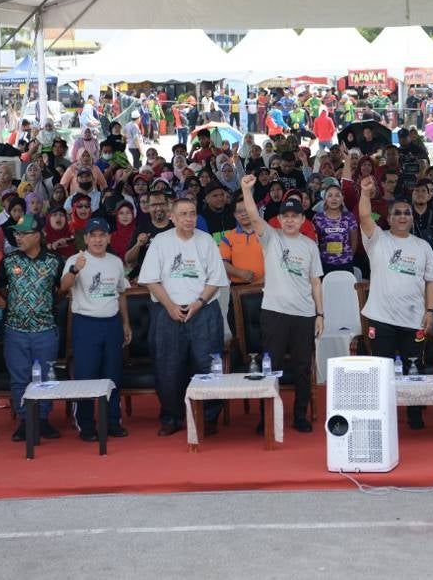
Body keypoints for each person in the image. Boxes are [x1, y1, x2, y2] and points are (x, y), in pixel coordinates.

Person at [137, 198, 229, 436]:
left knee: (207, 364)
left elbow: (216, 280)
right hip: (168, 312)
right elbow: (150, 279)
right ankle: (171, 417)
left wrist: (198, 304)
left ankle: (208, 418)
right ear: (173, 217)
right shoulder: (160, 242)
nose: (189, 218)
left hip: (203, 311)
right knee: (168, 367)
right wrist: (170, 306)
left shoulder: (206, 240)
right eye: (184, 214)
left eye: (192, 213)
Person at [239, 176, 323, 433]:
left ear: (302, 220)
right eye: (285, 216)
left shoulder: (310, 246)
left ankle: (300, 415)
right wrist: (246, 189)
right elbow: (253, 216)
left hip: (304, 314)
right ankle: (267, 416)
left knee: (302, 367)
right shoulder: (271, 238)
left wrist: (320, 314)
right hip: (274, 312)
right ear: (279, 219)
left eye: (294, 216)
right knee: (271, 366)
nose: (289, 220)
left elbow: (316, 282)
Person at [357, 174, 433, 430]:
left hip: (413, 318)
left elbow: (431, 282)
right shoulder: (377, 240)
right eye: (397, 213)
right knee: (382, 370)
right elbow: (364, 217)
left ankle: (414, 413)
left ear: (412, 219)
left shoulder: (423, 246)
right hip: (381, 319)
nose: (403, 216)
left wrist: (430, 310)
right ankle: (383, 414)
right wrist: (365, 193)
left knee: (415, 369)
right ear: (389, 219)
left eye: (407, 213)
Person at [59, 218, 131, 441]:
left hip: (111, 324)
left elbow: (121, 293)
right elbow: (63, 287)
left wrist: (125, 322)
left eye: (102, 235)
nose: (98, 240)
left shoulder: (115, 261)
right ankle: (86, 423)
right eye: (94, 235)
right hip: (86, 323)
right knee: (86, 375)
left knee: (113, 374)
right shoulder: (76, 259)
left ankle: (112, 421)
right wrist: (74, 269)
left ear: (109, 238)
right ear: (86, 238)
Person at [0, 214, 64, 442]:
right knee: (19, 378)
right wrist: (21, 305)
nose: (18, 237)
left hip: (45, 330)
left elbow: (60, 290)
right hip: (16, 330)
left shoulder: (55, 261)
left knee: (45, 377)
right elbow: (2, 287)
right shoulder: (9, 260)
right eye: (16, 233)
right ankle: (25, 421)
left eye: (23, 233)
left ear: (38, 235)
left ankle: (43, 419)